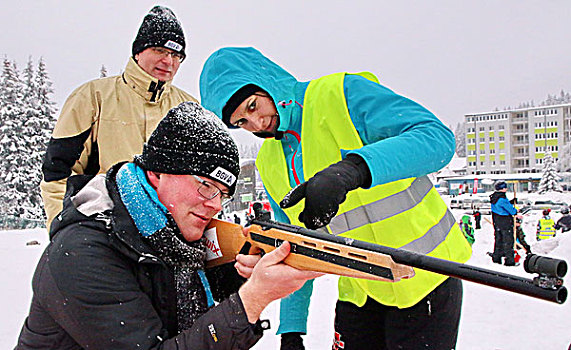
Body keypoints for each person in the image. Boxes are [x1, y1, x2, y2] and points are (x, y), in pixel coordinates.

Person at [199, 47, 472, 350]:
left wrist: (355, 169)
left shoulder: (340, 95)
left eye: (253, 106)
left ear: (267, 82)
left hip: (426, 282)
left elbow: (436, 138)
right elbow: (292, 245)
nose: (257, 124)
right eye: (242, 123)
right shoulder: (270, 161)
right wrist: (292, 330)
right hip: (359, 289)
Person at [16, 102, 320, 349]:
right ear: (157, 173)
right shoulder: (83, 254)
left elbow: (184, 302)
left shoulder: (170, 235)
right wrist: (253, 298)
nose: (215, 204)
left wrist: (243, 272)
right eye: (205, 186)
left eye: (223, 194)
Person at [40, 6, 196, 229]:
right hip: (103, 230)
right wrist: (62, 229)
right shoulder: (93, 97)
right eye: (160, 50)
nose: (169, 62)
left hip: (168, 234)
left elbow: (200, 181)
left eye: (176, 55)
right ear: (139, 51)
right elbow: (58, 172)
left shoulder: (187, 108)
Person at [490, 181, 518, 266]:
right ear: (502, 189)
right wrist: (515, 210)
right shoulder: (502, 199)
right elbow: (512, 211)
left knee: (498, 241)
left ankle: (496, 259)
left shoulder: (494, 197)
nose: (506, 189)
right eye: (505, 187)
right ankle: (509, 261)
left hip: (497, 222)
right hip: (505, 222)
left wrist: (511, 202)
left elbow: (501, 206)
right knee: (508, 241)